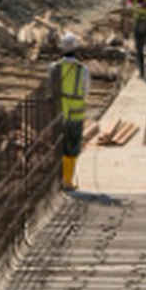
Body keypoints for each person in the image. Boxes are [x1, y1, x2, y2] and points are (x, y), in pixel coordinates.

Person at [50, 33, 89, 192]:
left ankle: (60, 179)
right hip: (76, 114)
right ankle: (68, 180)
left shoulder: (54, 68)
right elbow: (86, 92)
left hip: (58, 114)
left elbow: (51, 89)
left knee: (59, 146)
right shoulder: (83, 69)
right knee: (72, 148)